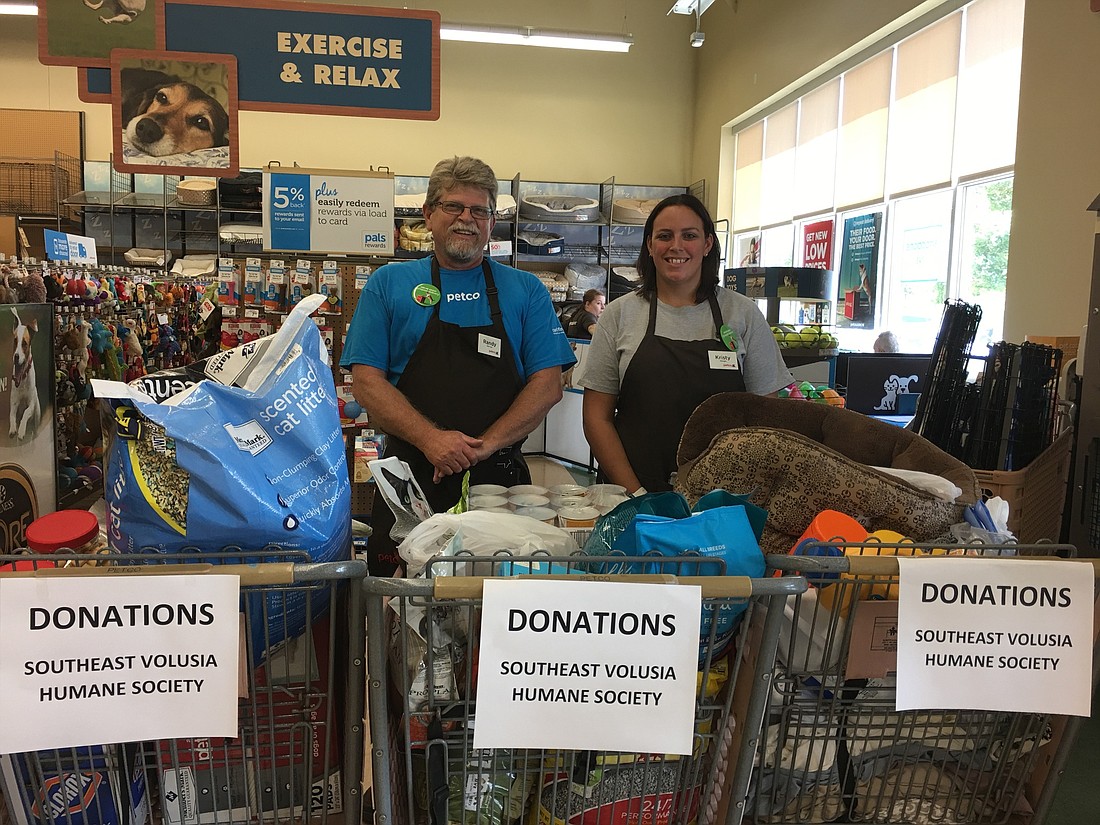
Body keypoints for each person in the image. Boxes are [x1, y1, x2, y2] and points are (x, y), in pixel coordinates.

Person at [342, 156, 576, 574]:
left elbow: (548, 384)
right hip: (409, 480)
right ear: (429, 215)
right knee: (398, 605)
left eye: (479, 210)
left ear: (491, 222)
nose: (466, 219)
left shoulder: (524, 290)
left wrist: (484, 445)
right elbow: (366, 382)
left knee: (492, 602)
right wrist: (432, 440)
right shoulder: (388, 285)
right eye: (453, 207)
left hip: (499, 485)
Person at [578, 193, 793, 495]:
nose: (676, 246)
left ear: (707, 244)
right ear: (650, 246)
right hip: (633, 496)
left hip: (722, 501)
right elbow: (596, 417)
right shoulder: (619, 315)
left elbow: (766, 419)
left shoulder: (743, 314)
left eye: (689, 235)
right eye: (664, 236)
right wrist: (636, 495)